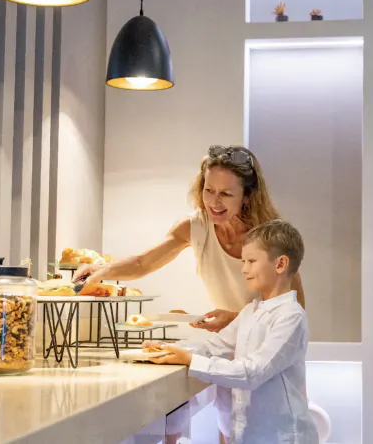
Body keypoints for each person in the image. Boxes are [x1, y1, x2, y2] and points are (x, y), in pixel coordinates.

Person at [74, 145, 307, 440]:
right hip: (228, 348)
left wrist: (234, 320)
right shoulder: (194, 227)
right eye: (209, 190)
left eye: (226, 194)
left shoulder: (269, 238)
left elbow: (294, 305)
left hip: (266, 351)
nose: (214, 202)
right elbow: (143, 262)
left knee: (268, 426)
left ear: (247, 195)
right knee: (232, 426)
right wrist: (102, 272)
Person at [143, 219, 318, 444]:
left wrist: (190, 360)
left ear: (280, 264)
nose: (244, 269)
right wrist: (170, 349)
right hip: (250, 435)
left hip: (282, 437)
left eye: (251, 261)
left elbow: (253, 372)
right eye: (243, 261)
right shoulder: (250, 311)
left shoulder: (291, 316)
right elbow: (214, 346)